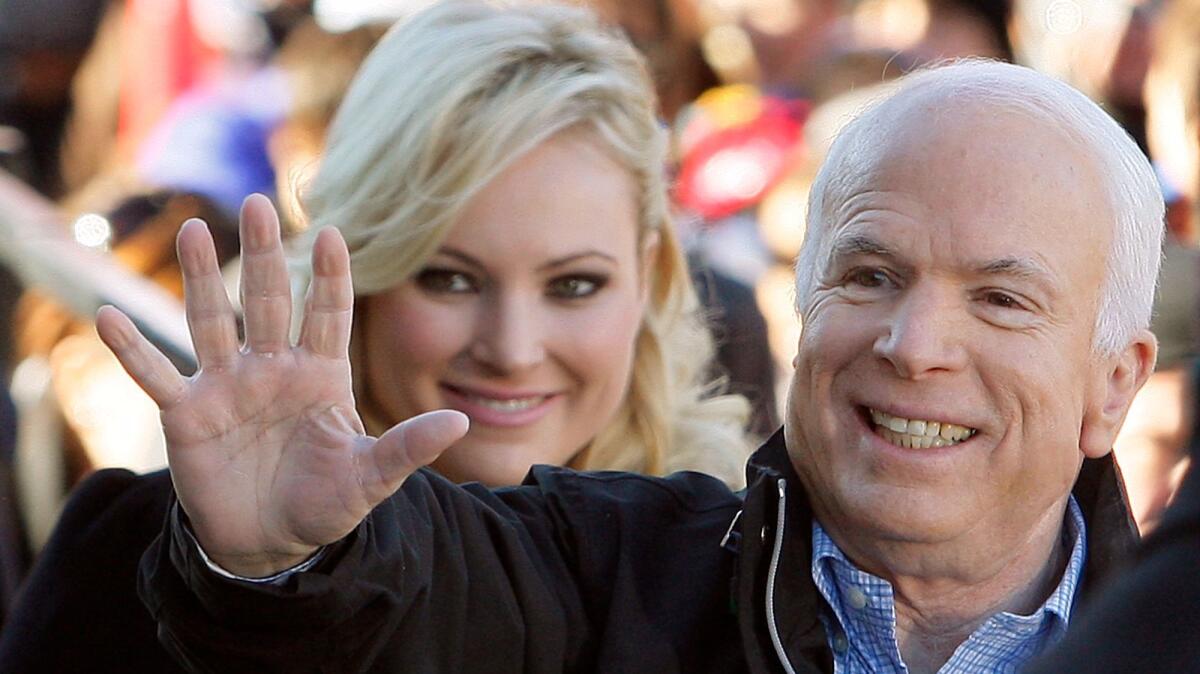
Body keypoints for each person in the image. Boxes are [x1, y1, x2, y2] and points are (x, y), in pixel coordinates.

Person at [121, 48, 1157, 674]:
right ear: (796, 304)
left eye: (1001, 298)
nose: (916, 345)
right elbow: (415, 597)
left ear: (1116, 383)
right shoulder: (604, 564)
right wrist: (286, 562)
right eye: (872, 274)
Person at [0, 3, 752, 671]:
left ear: (649, 282)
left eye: (573, 285)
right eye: (448, 277)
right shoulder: (138, 564)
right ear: (355, 273)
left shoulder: (740, 573)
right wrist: (261, 583)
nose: (513, 347)